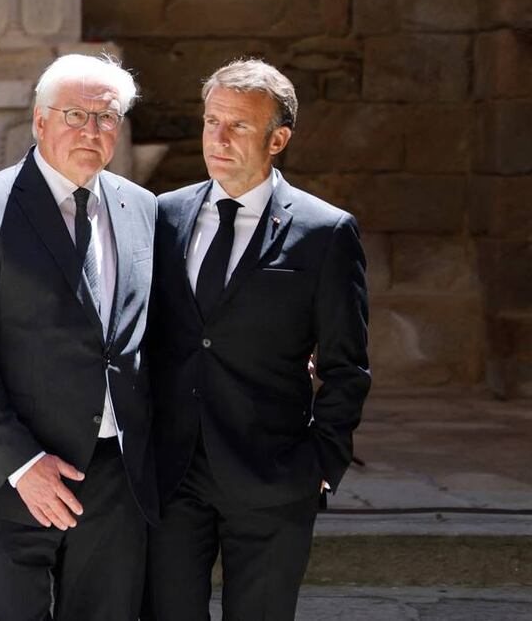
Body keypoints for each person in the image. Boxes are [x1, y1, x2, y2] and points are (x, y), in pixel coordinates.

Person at [0, 53, 158, 621]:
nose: (91, 131)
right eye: (74, 115)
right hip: (10, 470)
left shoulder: (142, 208)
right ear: (39, 119)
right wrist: (24, 464)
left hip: (113, 474)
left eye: (105, 118)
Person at [143, 58, 370, 620]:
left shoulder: (325, 231)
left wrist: (324, 459)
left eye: (238, 126)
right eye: (211, 120)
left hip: (274, 474)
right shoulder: (161, 216)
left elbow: (348, 365)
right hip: (173, 476)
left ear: (278, 139)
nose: (217, 139)